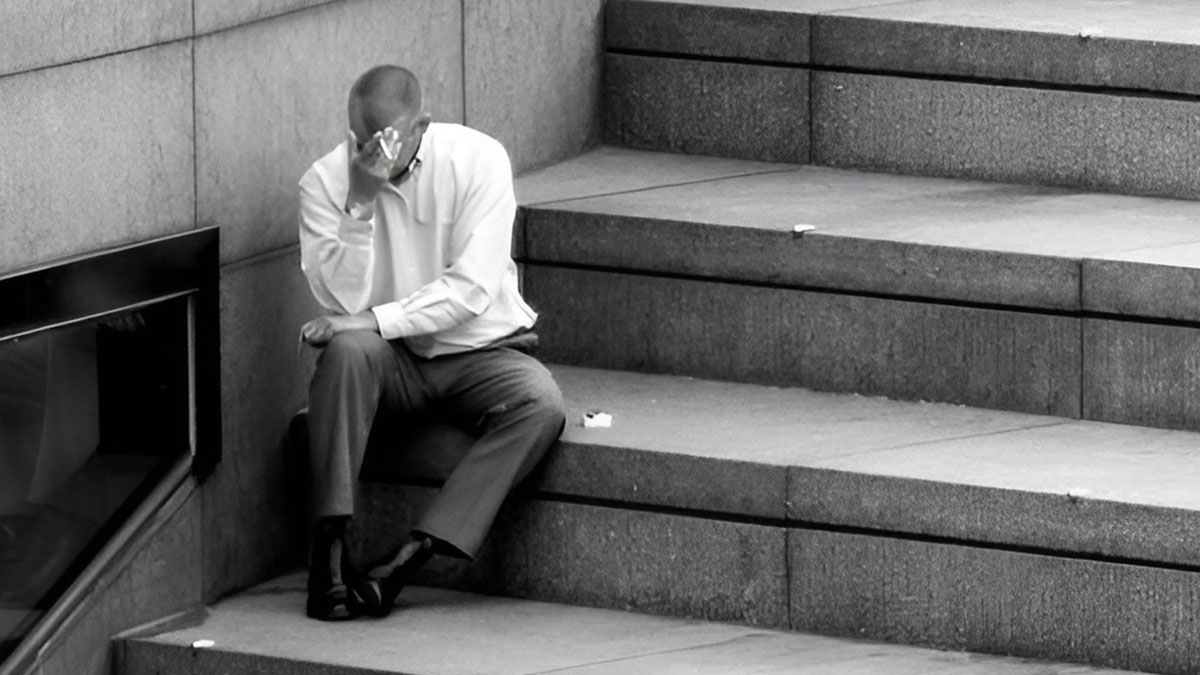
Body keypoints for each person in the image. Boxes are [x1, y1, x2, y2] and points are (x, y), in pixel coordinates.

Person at [297, 64, 565, 621]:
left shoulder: (478, 160)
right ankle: (328, 549)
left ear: (422, 123)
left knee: (540, 404)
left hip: (479, 352)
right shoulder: (324, 183)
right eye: (359, 138)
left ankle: (407, 560)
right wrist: (359, 207)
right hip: (389, 363)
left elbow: (469, 292)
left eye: (386, 139)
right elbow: (342, 305)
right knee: (346, 353)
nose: (371, 151)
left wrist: (374, 321)